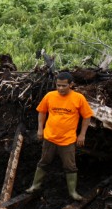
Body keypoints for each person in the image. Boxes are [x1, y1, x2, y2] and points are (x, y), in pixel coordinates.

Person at [26, 71, 94, 201]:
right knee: (44, 162)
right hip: (49, 137)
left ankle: (73, 192)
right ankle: (35, 186)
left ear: (71, 84)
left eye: (64, 86)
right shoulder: (50, 96)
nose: (61, 88)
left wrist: (82, 135)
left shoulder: (78, 98)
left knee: (70, 166)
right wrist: (40, 129)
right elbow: (42, 112)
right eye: (58, 85)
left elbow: (87, 116)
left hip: (67, 140)